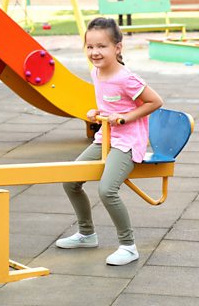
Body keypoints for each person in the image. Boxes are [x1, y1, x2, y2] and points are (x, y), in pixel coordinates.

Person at [55, 17, 163, 266]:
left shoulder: (127, 78)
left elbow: (155, 101)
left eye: (101, 46)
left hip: (127, 142)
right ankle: (86, 234)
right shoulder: (96, 72)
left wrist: (125, 118)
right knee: (70, 181)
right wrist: (97, 112)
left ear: (118, 47)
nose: (95, 52)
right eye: (90, 47)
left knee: (107, 190)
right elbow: (110, 105)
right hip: (106, 137)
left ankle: (128, 246)